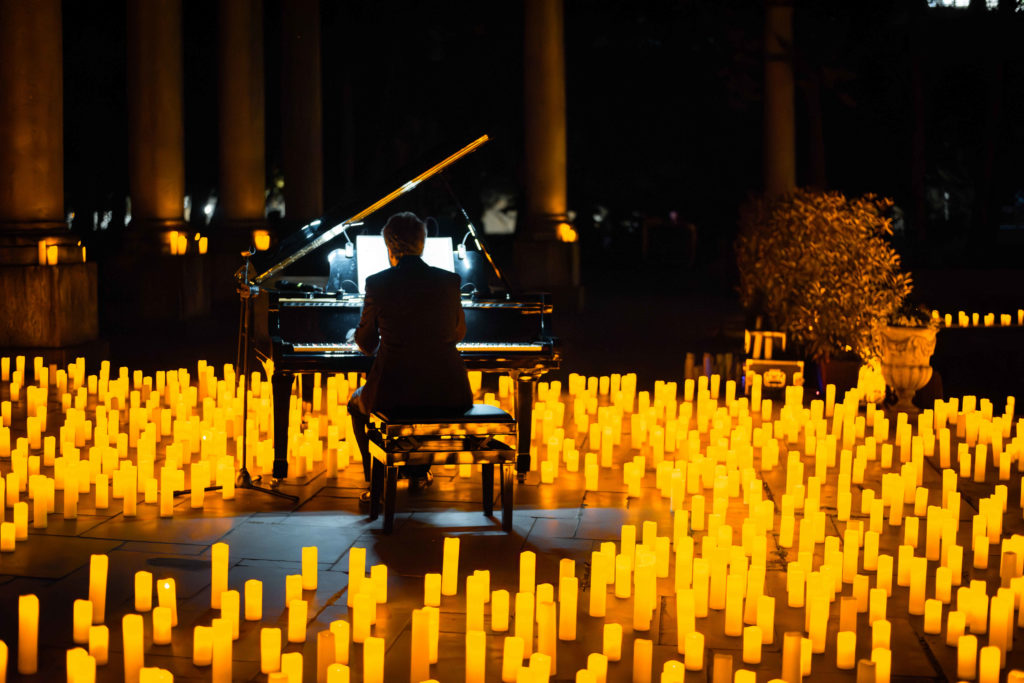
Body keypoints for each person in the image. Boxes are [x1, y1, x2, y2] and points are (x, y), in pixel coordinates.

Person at [348, 212, 473, 502]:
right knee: (426, 397)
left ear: (389, 247)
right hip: (449, 392)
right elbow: (458, 333)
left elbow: (366, 343)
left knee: (357, 405)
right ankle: (418, 471)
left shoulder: (377, 283)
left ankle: (376, 483)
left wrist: (361, 335)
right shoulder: (449, 281)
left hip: (395, 393)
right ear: (422, 244)